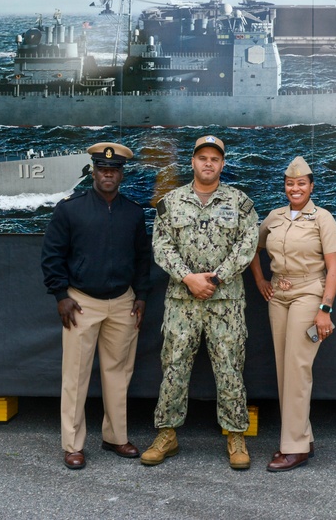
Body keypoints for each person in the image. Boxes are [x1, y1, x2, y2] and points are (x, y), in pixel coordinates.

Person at [141, 135, 259, 470]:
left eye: (214, 159)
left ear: (223, 164)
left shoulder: (240, 203)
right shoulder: (171, 202)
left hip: (226, 303)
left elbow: (247, 245)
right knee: (174, 367)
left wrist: (217, 277)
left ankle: (236, 435)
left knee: (230, 369)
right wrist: (188, 278)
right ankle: (167, 434)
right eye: (202, 158)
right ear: (192, 162)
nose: (208, 163)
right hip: (182, 300)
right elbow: (162, 246)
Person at [40, 141, 152, 471]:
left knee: (118, 374)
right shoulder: (70, 210)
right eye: (103, 169)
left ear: (121, 175)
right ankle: (72, 445)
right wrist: (61, 295)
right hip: (81, 303)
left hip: (122, 303)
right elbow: (52, 257)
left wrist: (141, 295)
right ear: (93, 171)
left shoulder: (133, 212)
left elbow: (143, 258)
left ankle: (116, 437)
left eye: (114, 170)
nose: (108, 174)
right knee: (75, 377)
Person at [249, 156, 336, 472]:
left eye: (301, 183)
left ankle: (294, 448)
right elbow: (254, 248)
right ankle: (304, 436)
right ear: (285, 187)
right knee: (284, 369)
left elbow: (334, 268)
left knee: (297, 368)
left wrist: (324, 309)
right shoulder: (274, 218)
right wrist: (261, 279)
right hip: (279, 295)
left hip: (308, 294)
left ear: (311, 186)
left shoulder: (323, 219)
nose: (295, 188)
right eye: (290, 183)